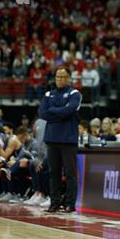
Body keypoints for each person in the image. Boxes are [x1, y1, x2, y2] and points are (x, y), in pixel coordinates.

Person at [39, 67, 82, 213]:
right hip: (52, 138)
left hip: (68, 139)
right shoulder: (48, 94)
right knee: (53, 173)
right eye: (57, 77)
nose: (59, 79)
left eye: (63, 77)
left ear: (69, 78)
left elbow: (70, 110)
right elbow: (43, 113)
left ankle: (70, 204)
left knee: (70, 173)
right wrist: (60, 112)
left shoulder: (75, 94)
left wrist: (53, 111)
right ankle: (54, 203)